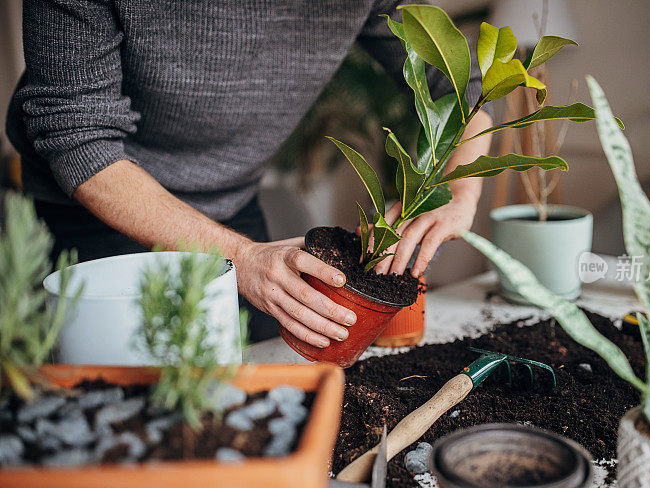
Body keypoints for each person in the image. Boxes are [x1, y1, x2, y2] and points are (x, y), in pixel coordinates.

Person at [6, 0, 492, 346]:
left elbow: (461, 86)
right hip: (97, 218)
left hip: (233, 213)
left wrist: (457, 190)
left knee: (261, 369)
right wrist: (239, 256)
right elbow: (78, 140)